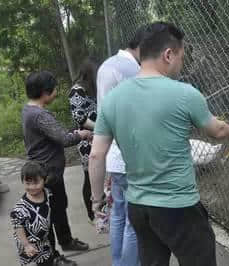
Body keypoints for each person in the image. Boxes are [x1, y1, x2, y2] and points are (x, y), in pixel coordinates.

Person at [89, 22, 229, 266]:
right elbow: (216, 130)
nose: (181, 63)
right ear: (168, 55)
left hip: (139, 206)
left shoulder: (113, 99)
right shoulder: (185, 93)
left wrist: (96, 200)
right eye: (181, 56)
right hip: (179, 207)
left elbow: (96, 155)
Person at [22, 71, 90, 265]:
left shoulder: (30, 109)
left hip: (50, 174)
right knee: (48, 218)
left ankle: (66, 241)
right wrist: (83, 134)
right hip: (46, 176)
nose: (56, 93)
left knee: (59, 208)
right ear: (45, 92)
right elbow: (64, 138)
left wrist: (73, 131)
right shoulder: (39, 115)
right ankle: (52, 258)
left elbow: (56, 133)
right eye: (54, 90)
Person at [93, 26, 146, 266]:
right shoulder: (133, 69)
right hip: (130, 157)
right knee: (132, 222)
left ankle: (117, 262)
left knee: (117, 213)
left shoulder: (107, 65)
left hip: (113, 154)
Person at [69, 57, 99, 223]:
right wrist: (100, 128)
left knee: (98, 175)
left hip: (98, 137)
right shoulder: (77, 90)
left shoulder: (91, 88)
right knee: (89, 176)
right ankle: (91, 214)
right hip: (86, 140)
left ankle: (99, 208)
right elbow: (79, 118)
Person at [10, 161, 54, 266]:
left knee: (47, 261)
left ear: (44, 180)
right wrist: (26, 245)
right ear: (23, 182)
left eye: (36, 183)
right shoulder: (20, 209)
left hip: (44, 241)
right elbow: (18, 228)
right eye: (28, 183)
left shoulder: (47, 193)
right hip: (30, 245)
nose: (32, 187)